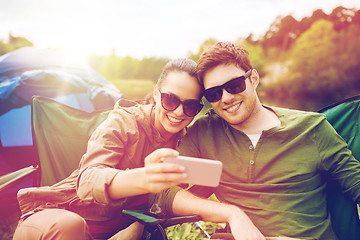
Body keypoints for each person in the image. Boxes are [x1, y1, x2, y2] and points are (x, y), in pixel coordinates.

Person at [13, 58, 265, 240]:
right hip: (55, 219)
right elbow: (87, 180)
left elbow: (177, 198)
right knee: (69, 225)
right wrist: (144, 178)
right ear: (156, 94)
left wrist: (137, 225)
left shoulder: (188, 140)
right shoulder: (124, 122)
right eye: (170, 99)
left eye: (189, 106)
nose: (178, 112)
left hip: (115, 231)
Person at [177, 42, 360, 240]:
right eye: (214, 94)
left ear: (253, 79)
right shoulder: (205, 132)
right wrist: (232, 214)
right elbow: (163, 191)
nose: (226, 98)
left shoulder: (311, 129)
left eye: (234, 85)